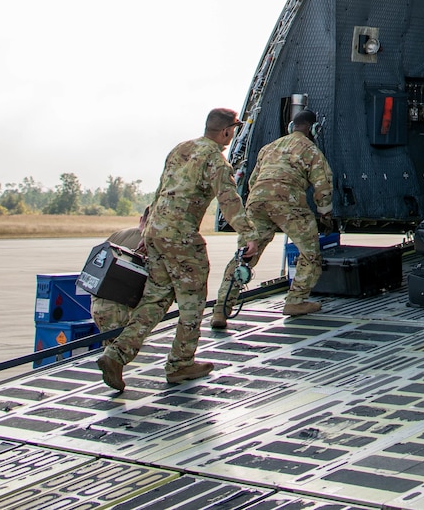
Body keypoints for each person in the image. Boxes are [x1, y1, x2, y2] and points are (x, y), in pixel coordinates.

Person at [100, 108, 252, 391]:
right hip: (181, 238)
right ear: (227, 132)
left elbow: (160, 191)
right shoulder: (216, 162)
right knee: (193, 302)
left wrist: (147, 232)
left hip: (157, 233)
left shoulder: (180, 149)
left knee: (156, 299)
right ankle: (181, 363)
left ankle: (116, 355)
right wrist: (249, 234)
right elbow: (229, 201)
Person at [213, 108, 335, 329]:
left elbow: (253, 180)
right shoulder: (311, 151)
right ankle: (295, 301)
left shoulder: (269, 148)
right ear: (314, 129)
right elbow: (323, 187)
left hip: (257, 202)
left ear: (290, 127)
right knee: (310, 253)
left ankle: (221, 309)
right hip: (288, 202)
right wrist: (325, 216)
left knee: (245, 255)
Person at [90, 220, 145, 336]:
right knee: (122, 349)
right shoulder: (148, 241)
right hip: (119, 310)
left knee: (110, 346)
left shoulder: (119, 234)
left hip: (98, 304)